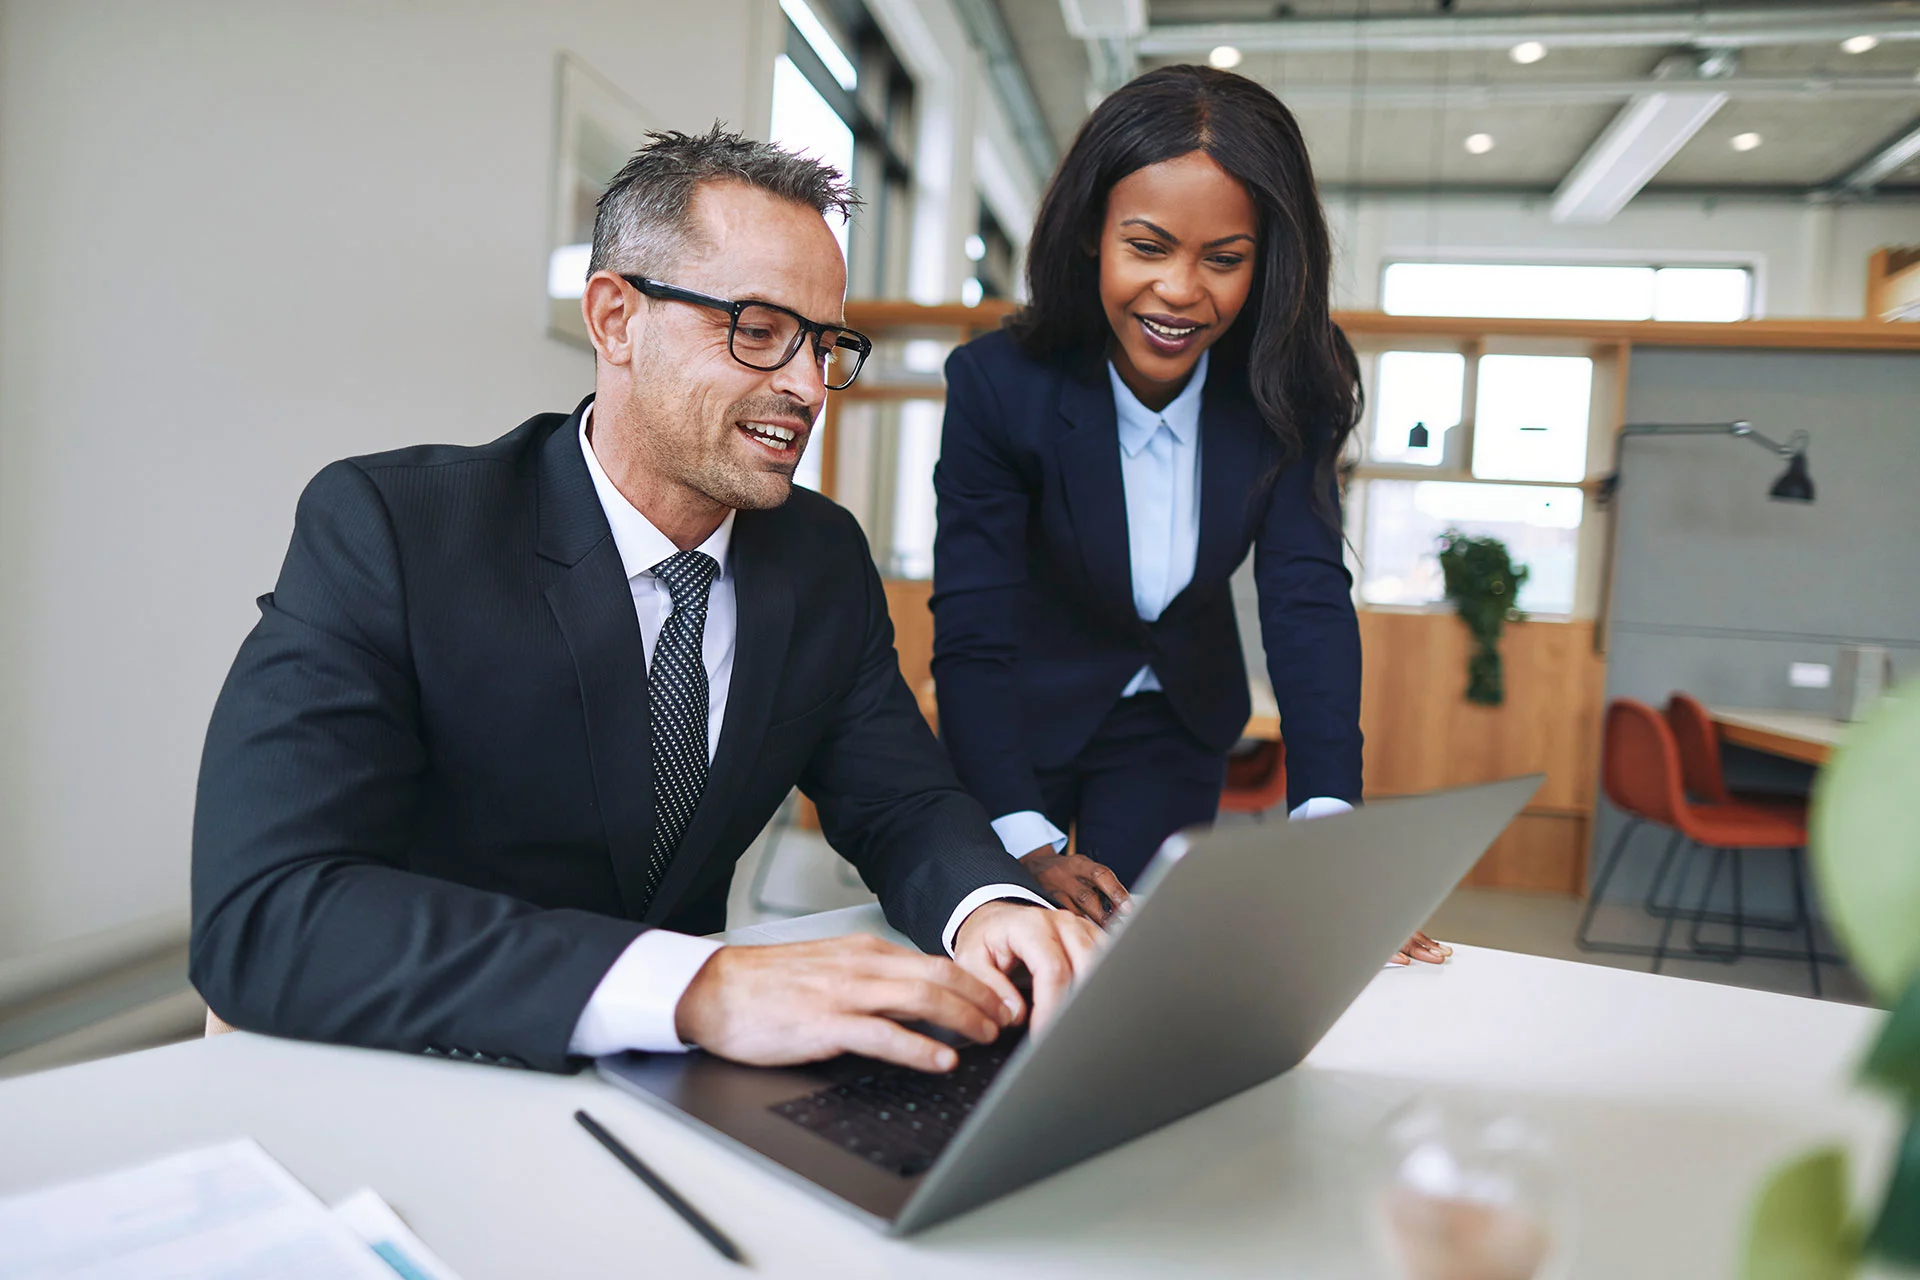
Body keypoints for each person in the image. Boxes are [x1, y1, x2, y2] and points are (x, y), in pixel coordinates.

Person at [191, 126, 1101, 1076]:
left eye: (826, 345)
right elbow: (265, 910)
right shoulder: (395, 529)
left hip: (665, 1088)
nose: (804, 386)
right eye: (757, 330)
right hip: (418, 1065)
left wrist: (986, 908)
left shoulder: (820, 556)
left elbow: (904, 800)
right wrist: (697, 987)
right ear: (615, 319)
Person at [931, 67, 1445, 965]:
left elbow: (1306, 599)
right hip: (1019, 717)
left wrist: (1332, 837)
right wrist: (1024, 838)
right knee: (1012, 960)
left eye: (1224, 259)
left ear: (1267, 259)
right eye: (1148, 246)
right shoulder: (998, 387)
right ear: (1093, 234)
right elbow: (974, 629)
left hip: (1175, 723)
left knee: (1138, 967)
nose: (1179, 291)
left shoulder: (1293, 382)